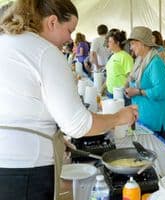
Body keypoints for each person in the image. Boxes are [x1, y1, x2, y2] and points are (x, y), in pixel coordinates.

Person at [0, 1, 138, 200]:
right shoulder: (44, 51)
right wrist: (118, 117)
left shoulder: (7, 42)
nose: (69, 38)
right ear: (53, 22)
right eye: (69, 30)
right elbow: (78, 124)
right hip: (26, 168)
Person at [125, 26, 165, 142]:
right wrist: (128, 89)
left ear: (142, 43)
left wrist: (137, 92)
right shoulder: (140, 60)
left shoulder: (155, 62)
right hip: (144, 117)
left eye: (132, 44)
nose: (131, 48)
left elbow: (162, 91)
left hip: (156, 119)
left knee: (158, 155)